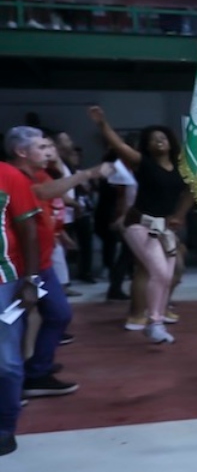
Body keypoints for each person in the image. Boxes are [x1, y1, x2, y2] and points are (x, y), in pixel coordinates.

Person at [7, 127, 111, 396]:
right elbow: (43, 192)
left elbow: (50, 198)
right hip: (20, 269)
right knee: (14, 323)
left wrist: (60, 233)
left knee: (53, 315)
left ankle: (34, 371)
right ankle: (19, 380)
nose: (48, 151)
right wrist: (86, 174)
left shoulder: (37, 173)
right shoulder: (14, 177)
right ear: (21, 152)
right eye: (41, 147)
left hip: (40, 266)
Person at [87, 108, 191, 344]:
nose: (159, 140)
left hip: (166, 227)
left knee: (168, 274)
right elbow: (119, 146)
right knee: (160, 272)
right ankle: (151, 321)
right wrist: (103, 124)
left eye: (162, 137)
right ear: (147, 146)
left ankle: (157, 322)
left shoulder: (182, 168)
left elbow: (191, 192)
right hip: (139, 225)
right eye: (153, 139)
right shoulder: (142, 163)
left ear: (170, 141)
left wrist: (179, 215)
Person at [0, 157, 43, 456]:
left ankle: (5, 427)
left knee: (6, 361)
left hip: (3, 280)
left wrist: (30, 279)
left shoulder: (9, 176)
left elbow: (29, 229)